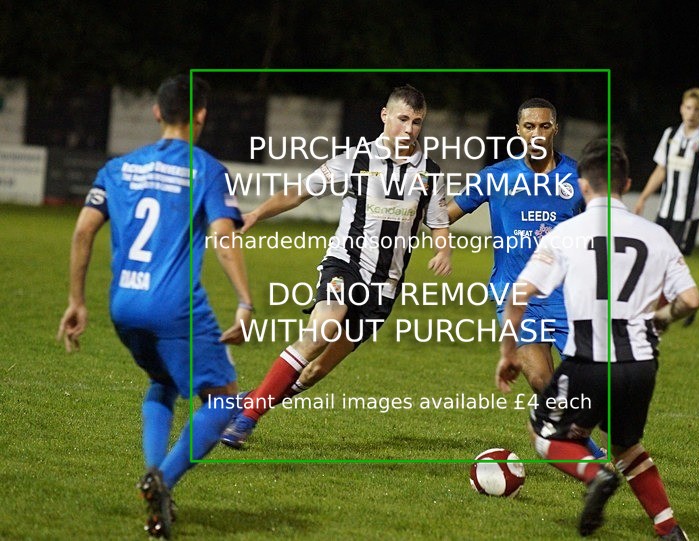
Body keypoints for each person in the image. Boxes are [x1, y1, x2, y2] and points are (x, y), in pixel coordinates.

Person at [57, 74, 253, 539]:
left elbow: (84, 230)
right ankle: (163, 478)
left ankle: (153, 480)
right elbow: (223, 237)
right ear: (201, 114)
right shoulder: (205, 169)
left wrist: (76, 301)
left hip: (122, 303)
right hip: (174, 304)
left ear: (156, 113)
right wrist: (245, 301)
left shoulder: (118, 168)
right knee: (225, 400)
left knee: (162, 379)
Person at [220, 84, 452, 449]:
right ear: (385, 116)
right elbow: (299, 191)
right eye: (403, 119)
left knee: (315, 371)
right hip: (345, 266)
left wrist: (444, 251)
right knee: (323, 328)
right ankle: (247, 419)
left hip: (384, 289)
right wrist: (256, 214)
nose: (409, 129)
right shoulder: (355, 160)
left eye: (417, 122)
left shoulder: (431, 174)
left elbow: (439, 221)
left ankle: (244, 404)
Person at [496, 139, 699, 539]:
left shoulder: (566, 233)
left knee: (544, 435)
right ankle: (670, 530)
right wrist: (662, 317)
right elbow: (691, 299)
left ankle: (596, 478)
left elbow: (518, 295)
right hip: (641, 366)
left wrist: (507, 352)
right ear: (627, 183)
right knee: (629, 448)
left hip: (588, 361)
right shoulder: (656, 235)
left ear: (582, 185)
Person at [448, 99, 604, 459]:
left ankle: (581, 439)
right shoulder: (496, 176)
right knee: (540, 380)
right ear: (518, 131)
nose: (536, 134)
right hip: (516, 296)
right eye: (529, 127)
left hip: (569, 296)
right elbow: (445, 215)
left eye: (544, 126)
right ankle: (593, 458)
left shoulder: (577, 179)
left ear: (555, 129)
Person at [634, 88, 699, 326]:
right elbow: (661, 169)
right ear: (682, 108)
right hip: (666, 210)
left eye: (697, 109)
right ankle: (691, 299)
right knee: (657, 257)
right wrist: (643, 197)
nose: (692, 113)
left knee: (673, 261)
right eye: (688, 108)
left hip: (689, 214)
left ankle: (678, 302)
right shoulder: (670, 134)